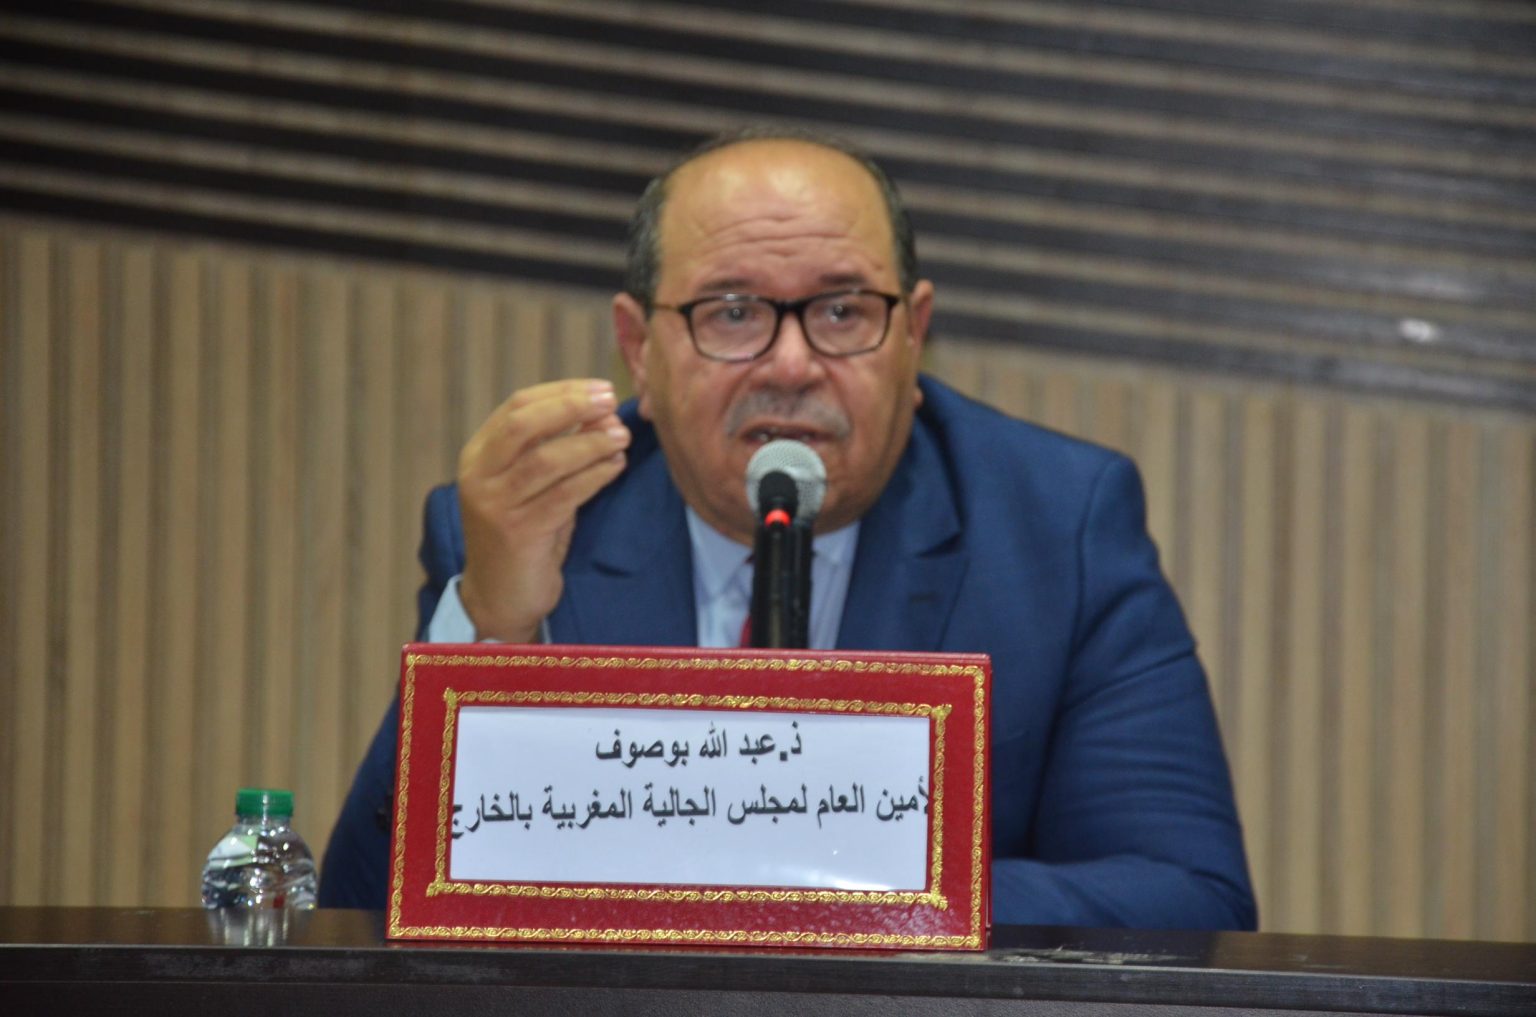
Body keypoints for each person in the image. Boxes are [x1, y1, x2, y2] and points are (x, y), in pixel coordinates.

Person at [319, 127, 1257, 930]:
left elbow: (1189, 898)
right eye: (733, 313)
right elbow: (358, 911)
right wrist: (492, 627)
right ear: (640, 348)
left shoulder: (1058, 526)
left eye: (843, 311)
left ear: (914, 335)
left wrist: (820, 886)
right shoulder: (542, 522)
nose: (793, 364)